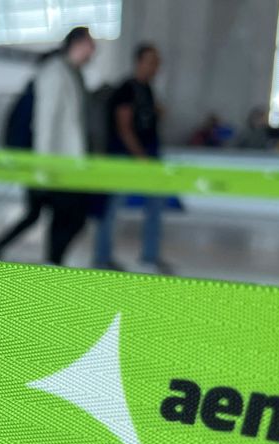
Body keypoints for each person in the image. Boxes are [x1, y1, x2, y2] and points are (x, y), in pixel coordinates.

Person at [0, 27, 95, 265]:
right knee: (66, 215)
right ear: (78, 43)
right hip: (54, 163)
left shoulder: (72, 73)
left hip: (65, 163)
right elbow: (45, 123)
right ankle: (51, 263)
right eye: (91, 44)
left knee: (47, 215)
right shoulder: (54, 72)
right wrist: (42, 169)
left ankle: (49, 261)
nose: (94, 50)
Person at [95, 43, 172, 274]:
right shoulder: (126, 90)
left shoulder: (147, 90)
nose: (156, 67)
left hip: (148, 157)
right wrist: (141, 158)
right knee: (110, 209)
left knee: (155, 207)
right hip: (126, 159)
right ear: (139, 62)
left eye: (158, 62)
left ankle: (150, 256)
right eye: (152, 61)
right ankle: (102, 257)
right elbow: (124, 127)